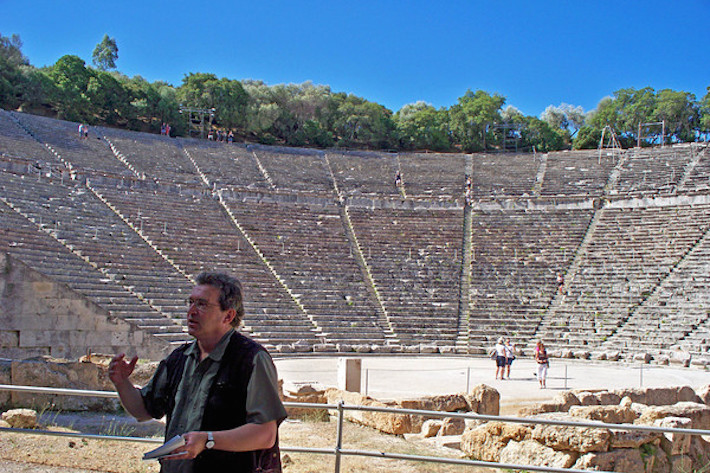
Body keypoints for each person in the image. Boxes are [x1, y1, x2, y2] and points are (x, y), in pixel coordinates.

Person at [109, 271, 287, 473]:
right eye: (191, 302)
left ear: (228, 315)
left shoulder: (251, 359)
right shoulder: (179, 358)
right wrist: (122, 382)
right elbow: (143, 410)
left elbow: (265, 434)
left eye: (202, 304)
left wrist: (208, 440)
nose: (191, 311)